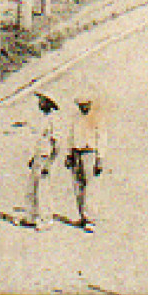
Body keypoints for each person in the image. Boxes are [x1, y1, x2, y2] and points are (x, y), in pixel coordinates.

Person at [64, 93, 108, 229]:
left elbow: (102, 139)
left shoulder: (97, 119)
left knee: (91, 185)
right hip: (77, 152)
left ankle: (90, 218)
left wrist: (99, 158)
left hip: (90, 153)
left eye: (86, 104)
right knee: (78, 184)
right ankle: (82, 216)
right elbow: (71, 137)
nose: (83, 107)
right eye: (81, 105)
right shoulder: (75, 119)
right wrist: (69, 154)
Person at [24, 92, 59, 229]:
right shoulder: (43, 119)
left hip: (46, 158)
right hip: (39, 156)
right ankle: (32, 217)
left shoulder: (53, 120)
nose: (39, 103)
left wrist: (49, 163)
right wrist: (33, 157)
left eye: (42, 101)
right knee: (32, 188)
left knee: (43, 189)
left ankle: (46, 219)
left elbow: (57, 144)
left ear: (48, 103)